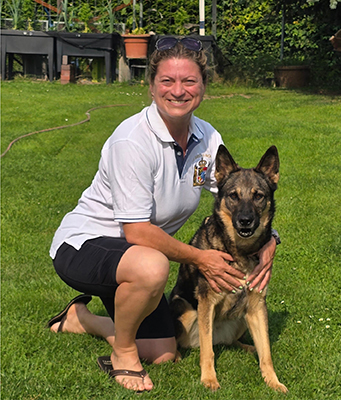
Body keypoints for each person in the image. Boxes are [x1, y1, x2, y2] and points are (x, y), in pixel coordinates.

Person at [48, 36, 278, 393]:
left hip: (134, 258)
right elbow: (137, 232)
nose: (179, 91)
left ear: (203, 87)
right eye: (167, 81)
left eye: (189, 81)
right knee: (154, 265)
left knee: (164, 351)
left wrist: (269, 240)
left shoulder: (206, 138)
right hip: (86, 246)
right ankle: (123, 354)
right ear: (151, 87)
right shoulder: (132, 141)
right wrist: (202, 258)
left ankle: (82, 320)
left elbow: (234, 198)